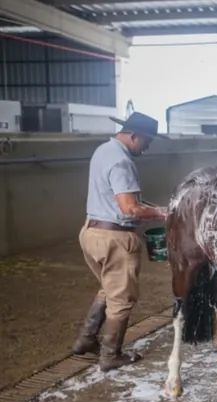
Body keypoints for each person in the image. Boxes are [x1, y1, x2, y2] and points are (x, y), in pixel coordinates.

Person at [72, 112, 168, 372]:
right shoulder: (122, 161)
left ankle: (85, 341)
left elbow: (120, 199)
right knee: (121, 299)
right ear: (134, 135)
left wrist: (149, 205)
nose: (147, 147)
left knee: (108, 288)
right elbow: (129, 208)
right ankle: (110, 355)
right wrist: (163, 213)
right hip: (115, 238)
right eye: (146, 141)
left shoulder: (103, 150)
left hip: (91, 232)